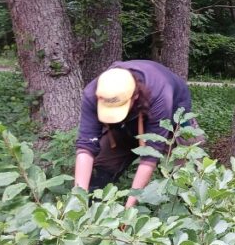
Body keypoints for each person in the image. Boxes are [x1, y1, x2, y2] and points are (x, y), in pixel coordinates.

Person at [73, 60, 200, 207]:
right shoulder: (93, 94)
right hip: (126, 124)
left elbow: (149, 157)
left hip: (173, 118)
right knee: (99, 168)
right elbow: (86, 147)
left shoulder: (160, 93)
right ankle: (93, 207)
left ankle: (195, 211)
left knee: (186, 173)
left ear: (135, 96)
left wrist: (129, 209)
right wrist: (77, 202)